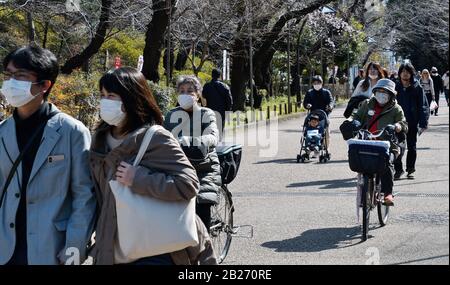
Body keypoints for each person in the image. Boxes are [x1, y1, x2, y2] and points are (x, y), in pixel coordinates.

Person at [89, 68, 216, 265]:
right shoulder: (98, 140)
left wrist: (138, 178)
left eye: (112, 96)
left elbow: (188, 184)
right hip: (113, 246)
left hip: (155, 249)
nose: (105, 101)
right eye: (103, 95)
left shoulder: (155, 137)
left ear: (131, 99)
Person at [0, 46, 96, 265]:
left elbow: (84, 194)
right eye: (8, 75)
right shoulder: (2, 131)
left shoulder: (72, 131)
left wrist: (75, 245)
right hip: (5, 247)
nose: (11, 82)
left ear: (45, 85)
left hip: (51, 247)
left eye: (20, 75)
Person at [164, 75, 221, 234]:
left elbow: (214, 136)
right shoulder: (170, 115)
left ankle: (205, 249)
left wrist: (193, 141)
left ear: (198, 94)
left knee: (202, 202)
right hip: (177, 167)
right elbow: (160, 135)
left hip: (203, 168)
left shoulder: (206, 113)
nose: (185, 94)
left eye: (190, 91)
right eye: (181, 91)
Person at [351, 79, 408, 205]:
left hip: (388, 145)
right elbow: (357, 117)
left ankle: (388, 193)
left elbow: (404, 124)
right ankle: (364, 192)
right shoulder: (367, 104)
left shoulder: (396, 109)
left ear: (391, 95)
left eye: (385, 92)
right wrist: (354, 122)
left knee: (387, 164)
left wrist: (397, 126)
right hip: (368, 142)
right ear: (375, 92)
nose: (381, 95)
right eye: (379, 92)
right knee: (363, 165)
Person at [394, 63, 429, 180]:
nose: (405, 73)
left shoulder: (417, 87)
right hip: (397, 122)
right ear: (399, 73)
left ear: (411, 73)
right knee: (397, 146)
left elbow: (423, 106)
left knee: (411, 146)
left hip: (412, 122)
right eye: (403, 71)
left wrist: (423, 123)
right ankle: (398, 170)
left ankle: (410, 169)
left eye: (407, 71)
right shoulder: (395, 87)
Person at [303, 75, 334, 151]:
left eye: (318, 83)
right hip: (313, 116)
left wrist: (330, 106)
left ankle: (326, 148)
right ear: (312, 84)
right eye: (315, 83)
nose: (317, 84)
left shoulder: (326, 92)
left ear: (322, 83)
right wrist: (307, 105)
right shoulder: (310, 93)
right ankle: (310, 148)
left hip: (324, 115)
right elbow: (305, 102)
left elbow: (331, 101)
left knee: (326, 132)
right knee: (310, 132)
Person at [202, 68, 233, 136]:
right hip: (221, 111)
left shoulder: (206, 86)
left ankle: (211, 142)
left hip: (209, 111)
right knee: (220, 129)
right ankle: (218, 142)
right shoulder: (225, 86)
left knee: (210, 128)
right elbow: (229, 100)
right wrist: (228, 110)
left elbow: (203, 98)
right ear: (220, 76)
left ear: (212, 75)